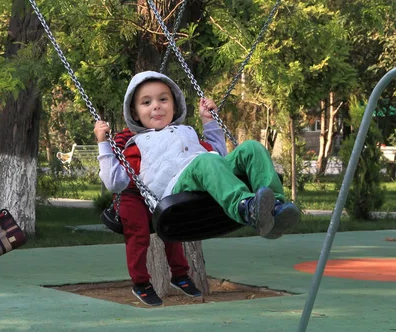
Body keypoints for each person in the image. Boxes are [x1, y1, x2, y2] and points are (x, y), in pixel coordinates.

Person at [94, 71, 300, 306]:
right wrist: (103, 144)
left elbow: (219, 156)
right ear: (135, 113)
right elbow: (115, 182)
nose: (156, 107)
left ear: (175, 103)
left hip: (206, 171)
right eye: (146, 102)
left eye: (163, 99)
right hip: (177, 188)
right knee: (206, 162)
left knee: (251, 148)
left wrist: (208, 121)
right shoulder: (136, 144)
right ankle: (245, 207)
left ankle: (274, 209)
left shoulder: (187, 131)